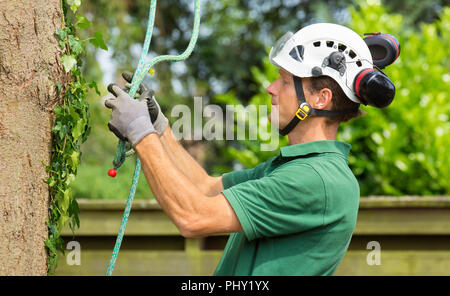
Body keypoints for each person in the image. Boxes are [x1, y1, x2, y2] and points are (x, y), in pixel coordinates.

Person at [104, 23, 396, 275]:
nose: (270, 88)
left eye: (284, 81)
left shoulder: (316, 180)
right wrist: (158, 127)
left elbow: (193, 217)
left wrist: (140, 133)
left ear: (320, 98)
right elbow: (206, 188)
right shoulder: (296, 168)